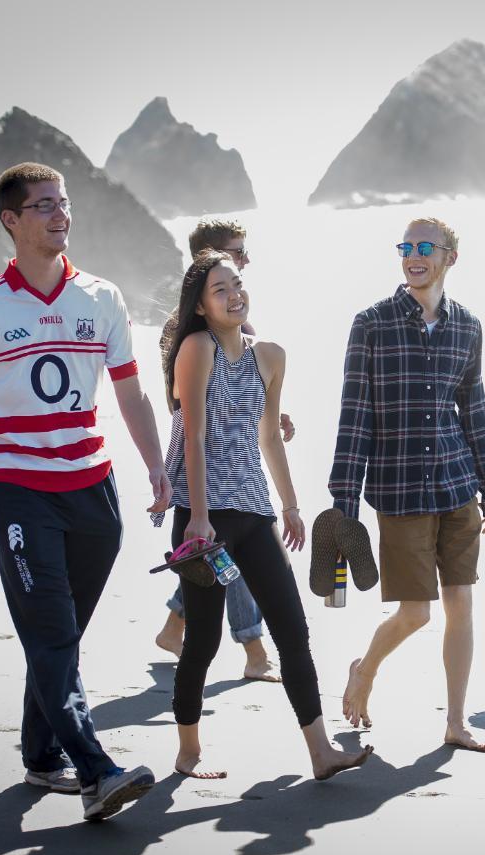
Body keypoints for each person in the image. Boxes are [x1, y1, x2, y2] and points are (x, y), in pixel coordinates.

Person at [0, 162, 169, 820]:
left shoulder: (102, 297)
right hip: (19, 491)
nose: (59, 214)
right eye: (42, 206)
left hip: (94, 491)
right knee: (53, 635)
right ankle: (95, 772)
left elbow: (129, 390)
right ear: (11, 221)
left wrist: (156, 465)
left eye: (62, 203)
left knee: (58, 636)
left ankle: (41, 758)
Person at [157, 249, 371, 779]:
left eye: (237, 285)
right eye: (220, 290)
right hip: (204, 520)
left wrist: (291, 505)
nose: (234, 295)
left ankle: (320, 752)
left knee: (293, 630)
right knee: (203, 641)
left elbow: (270, 436)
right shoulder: (196, 348)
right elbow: (197, 437)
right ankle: (188, 752)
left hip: (254, 513)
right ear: (202, 306)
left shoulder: (271, 355)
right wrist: (199, 518)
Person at [331, 217, 485, 752]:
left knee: (461, 605)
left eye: (424, 247)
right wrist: (344, 502)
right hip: (401, 488)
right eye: (405, 246)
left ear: (450, 256)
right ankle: (365, 668)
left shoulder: (468, 327)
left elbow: (473, 409)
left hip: (457, 486)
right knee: (415, 612)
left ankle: (455, 721)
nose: (413, 255)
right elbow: (354, 415)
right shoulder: (372, 324)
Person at [154, 217, 294, 681]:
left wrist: (272, 419)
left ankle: (176, 627)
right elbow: (186, 409)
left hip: (240, 471)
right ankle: (254, 649)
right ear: (207, 259)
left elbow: (249, 392)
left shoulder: (241, 322)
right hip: (207, 474)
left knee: (221, 561)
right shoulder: (186, 330)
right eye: (238, 252)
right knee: (226, 561)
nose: (245, 263)